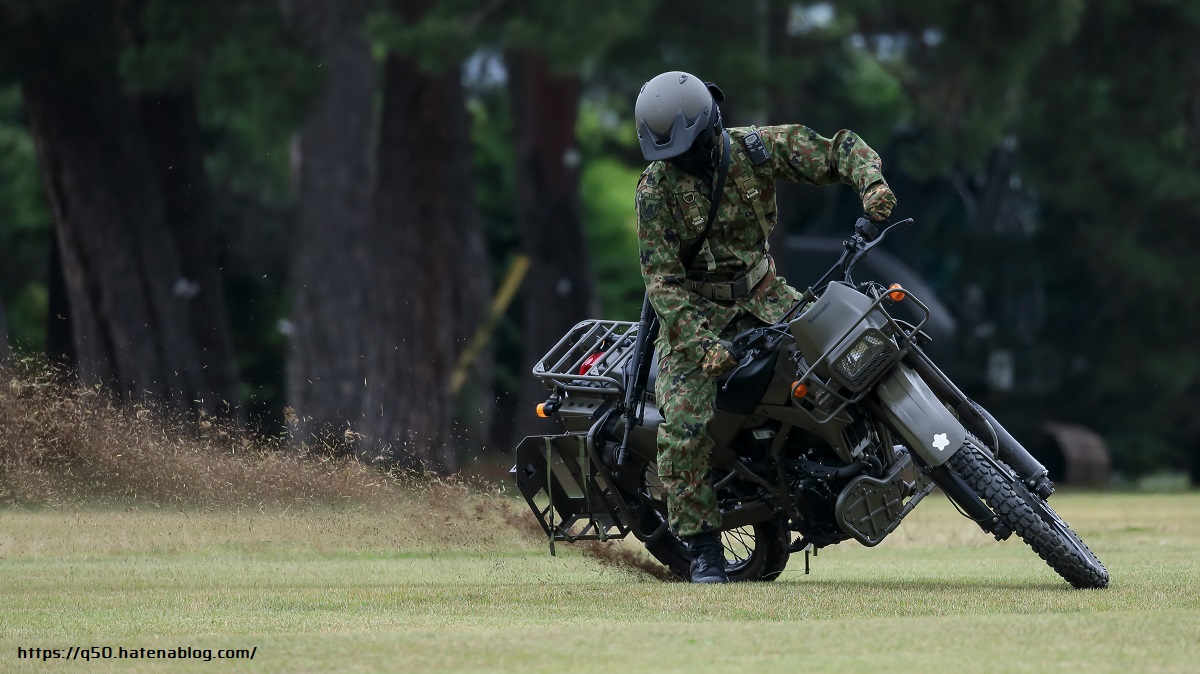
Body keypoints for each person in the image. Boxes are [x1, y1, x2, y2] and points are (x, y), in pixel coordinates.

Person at [633, 70, 896, 583]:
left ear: (710, 126)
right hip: (695, 318)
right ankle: (703, 549)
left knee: (856, 344)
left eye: (687, 150)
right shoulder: (654, 190)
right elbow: (661, 282)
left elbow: (835, 152)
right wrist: (701, 345)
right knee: (684, 424)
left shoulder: (756, 150)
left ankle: (876, 450)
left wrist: (872, 183)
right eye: (669, 155)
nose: (679, 163)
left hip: (768, 297)